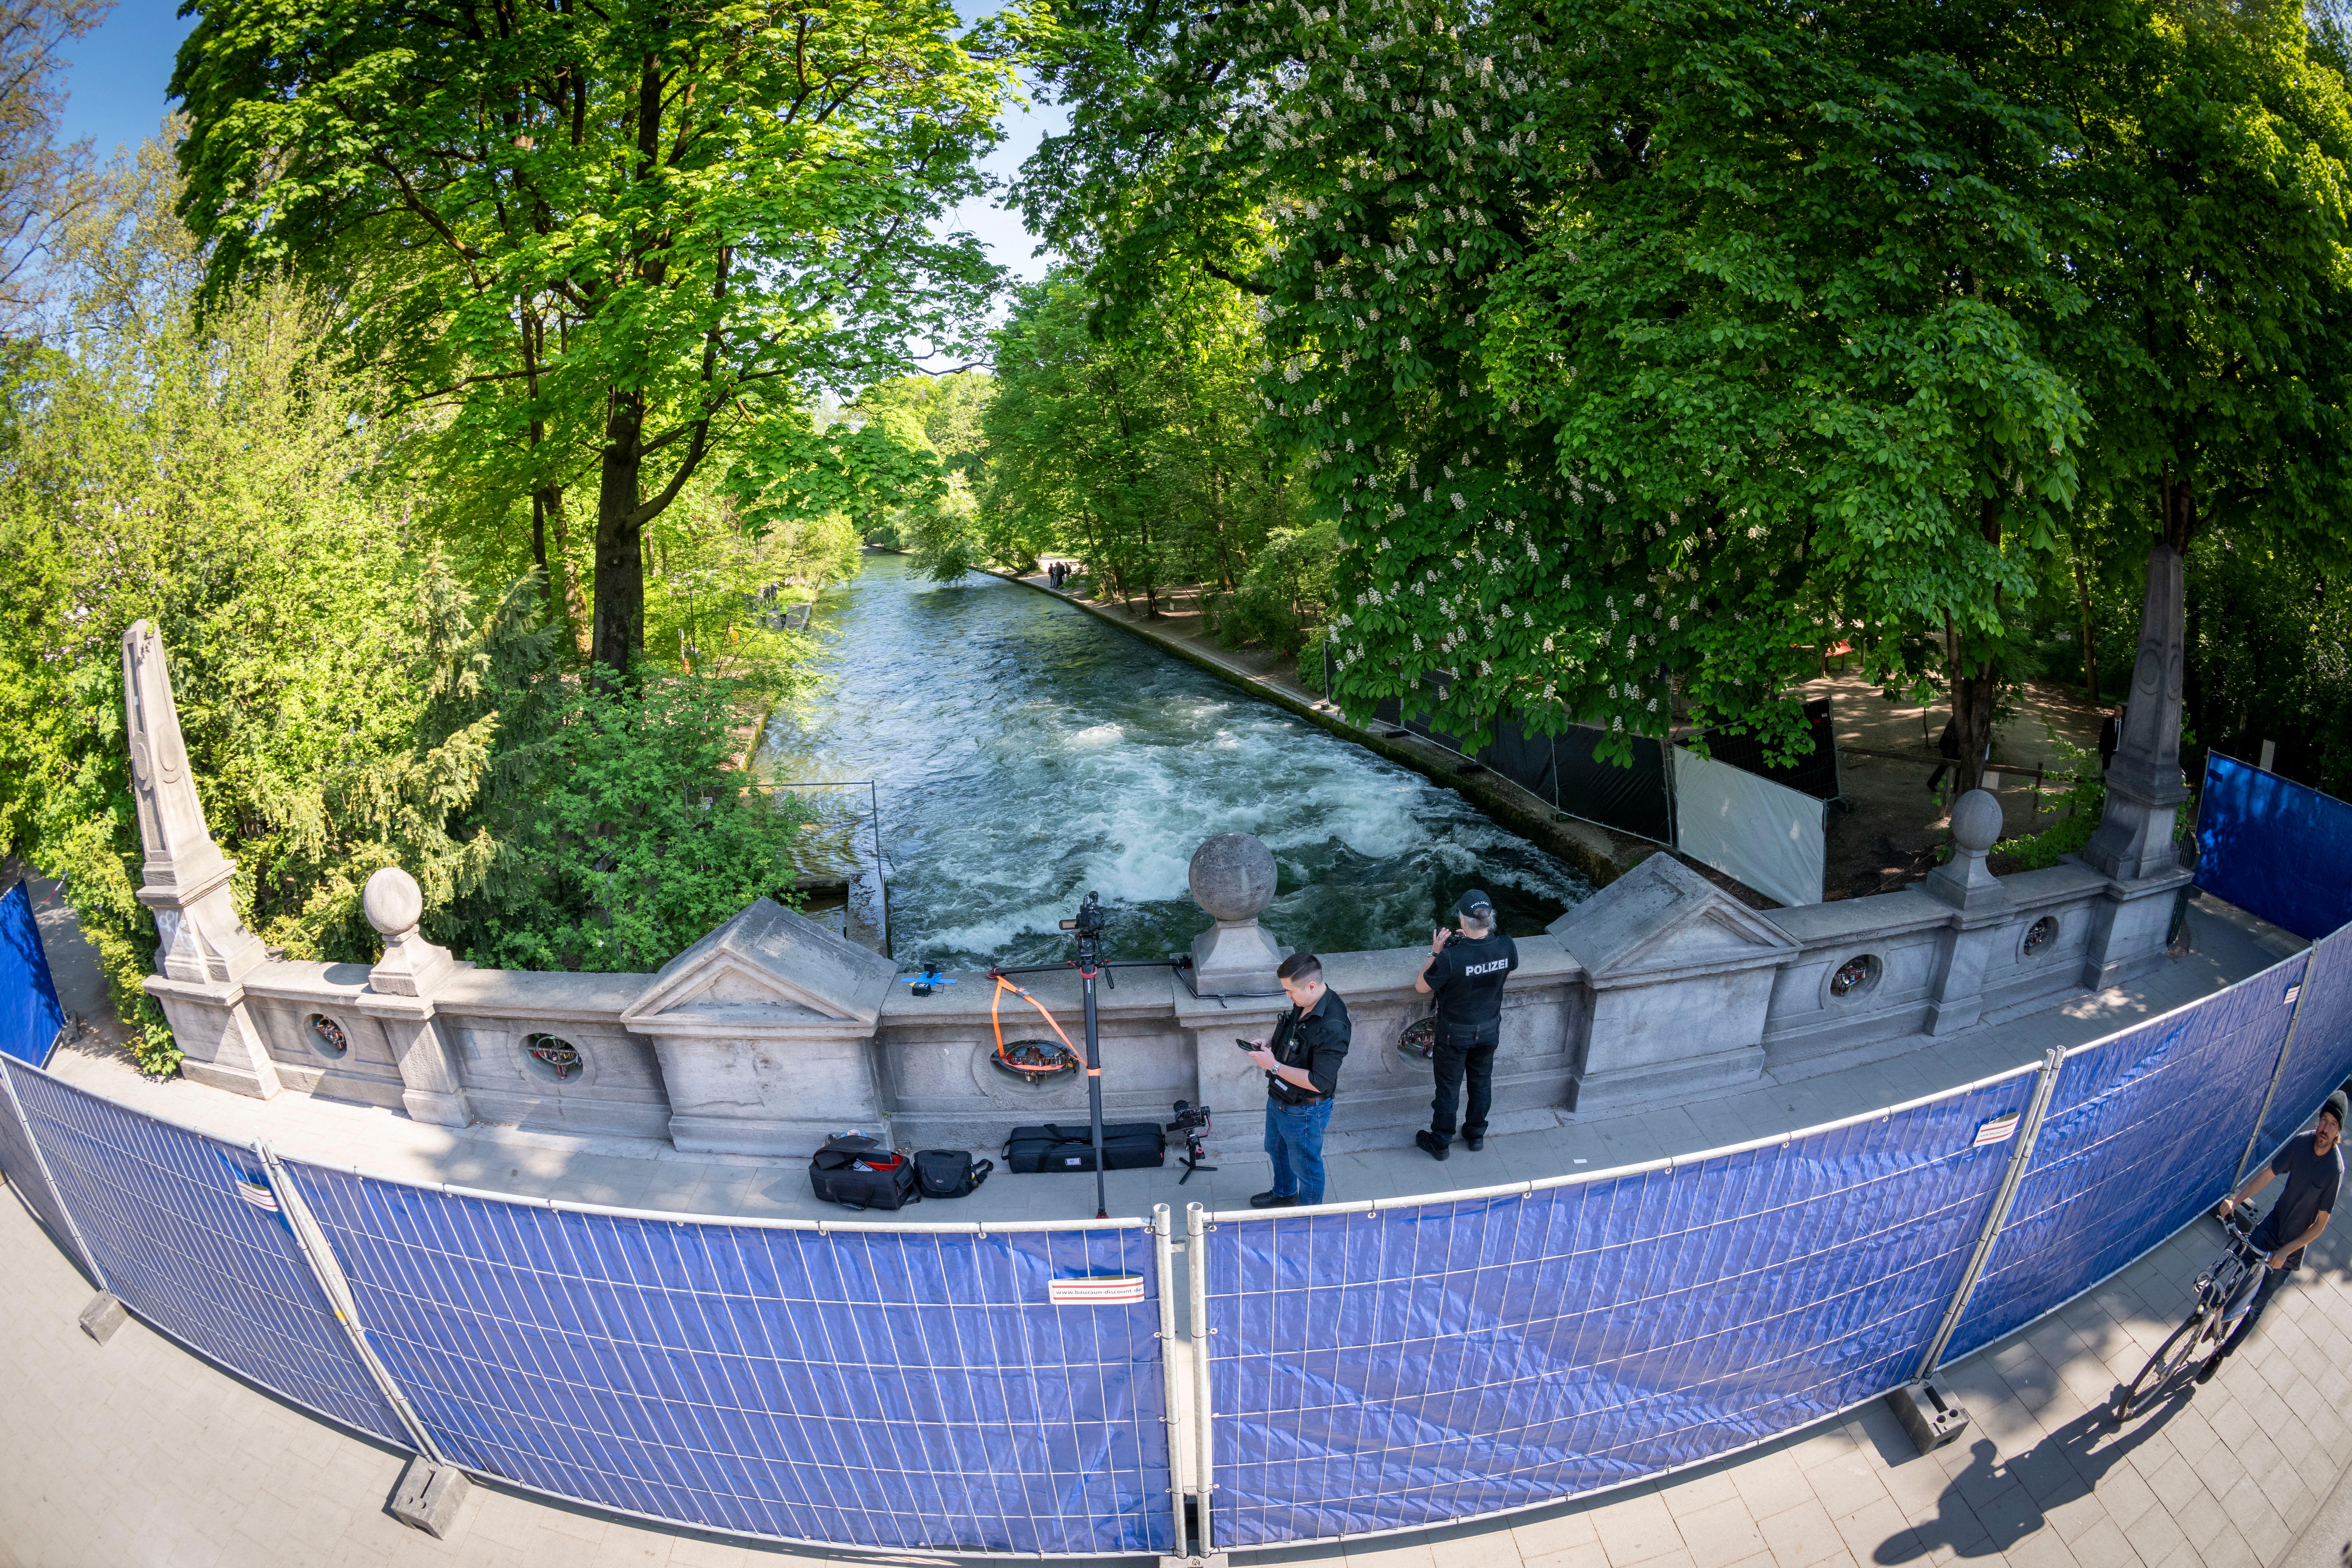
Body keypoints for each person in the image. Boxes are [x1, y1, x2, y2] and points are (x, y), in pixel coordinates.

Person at [2198, 1091, 2345, 1383]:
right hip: (2272, 1226)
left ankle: (2221, 1354)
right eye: (2324, 1120)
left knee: (2258, 1305)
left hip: (2290, 1250)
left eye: (2332, 1124)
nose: (2325, 1129)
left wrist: (2287, 1250)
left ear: (2339, 1131)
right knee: (2237, 1263)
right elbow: (2269, 1173)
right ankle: (2218, 1314)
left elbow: (2320, 1225)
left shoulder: (2334, 1170)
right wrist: (2236, 1200)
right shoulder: (2303, 1143)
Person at [1413, 889, 1519, 1161]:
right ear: (1489, 919)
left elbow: (1422, 987)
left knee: (1448, 1088)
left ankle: (1441, 1142)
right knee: (1481, 1084)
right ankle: (1476, 1135)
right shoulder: (1507, 945)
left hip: (1454, 1033)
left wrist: (1436, 951)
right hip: (1489, 1028)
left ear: (1462, 922)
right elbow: (1506, 971)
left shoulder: (1451, 958)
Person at [1245, 951, 1351, 1209]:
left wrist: (1274, 1066)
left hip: (1305, 1109)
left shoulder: (1334, 1025)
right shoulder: (1306, 1001)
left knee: (1306, 1166)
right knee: (1276, 1149)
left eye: (1290, 992)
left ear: (1311, 986)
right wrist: (1272, 1042)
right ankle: (1284, 1194)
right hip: (1280, 1097)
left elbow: (1319, 1082)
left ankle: (1309, 1217)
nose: (1287, 996)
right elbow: (1294, 1031)